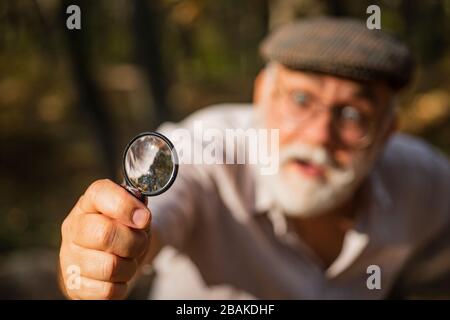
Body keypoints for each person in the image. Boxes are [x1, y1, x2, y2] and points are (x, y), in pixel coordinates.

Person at [58, 17, 450, 299]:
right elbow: (151, 221)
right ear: (262, 93)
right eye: (301, 100)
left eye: (353, 116)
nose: (319, 135)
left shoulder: (425, 182)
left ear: (387, 131)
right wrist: (99, 253)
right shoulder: (205, 149)